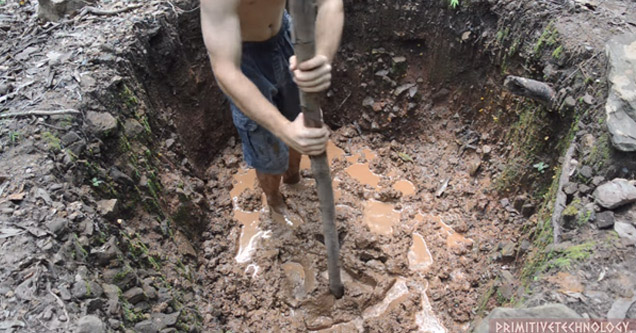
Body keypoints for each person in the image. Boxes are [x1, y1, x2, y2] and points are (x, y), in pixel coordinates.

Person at [200, 0, 344, 215]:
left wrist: (322, 57)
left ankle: (293, 178)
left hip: (285, 34)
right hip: (243, 56)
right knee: (266, 146)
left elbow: (330, 3)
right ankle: (274, 200)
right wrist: (284, 129)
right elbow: (226, 69)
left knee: (301, 125)